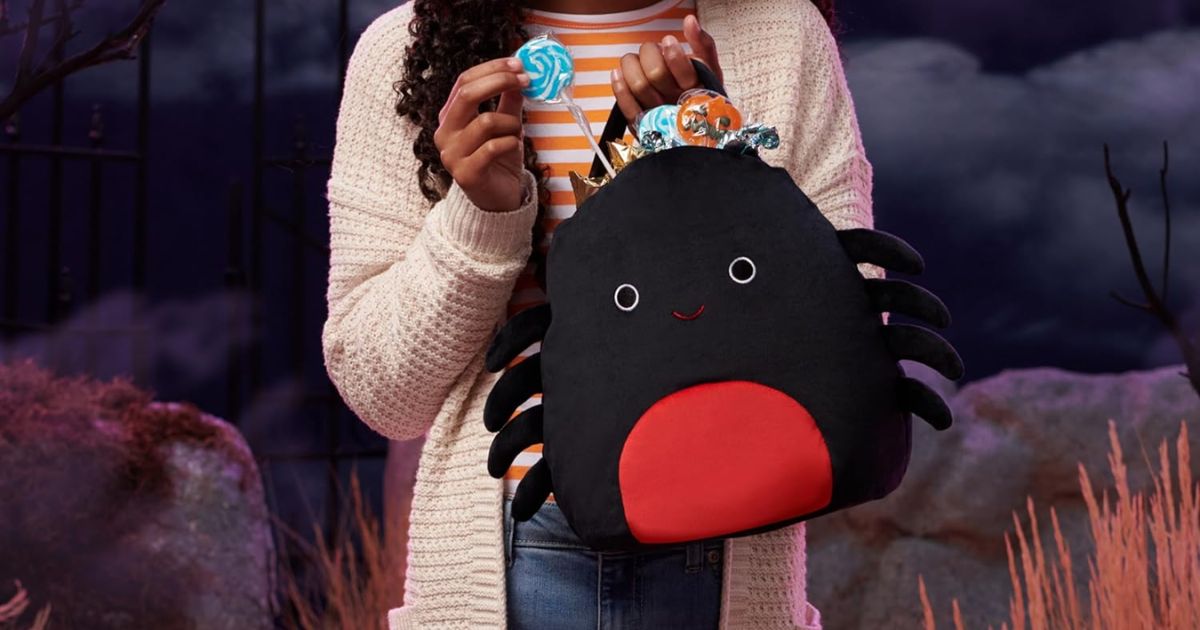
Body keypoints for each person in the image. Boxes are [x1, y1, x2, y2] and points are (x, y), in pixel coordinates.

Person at [322, 0, 875, 628]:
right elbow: (382, 392)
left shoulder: (781, 32)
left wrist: (722, 166)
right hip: (511, 551)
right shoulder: (402, 51)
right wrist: (480, 216)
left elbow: (857, 332)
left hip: (731, 540)